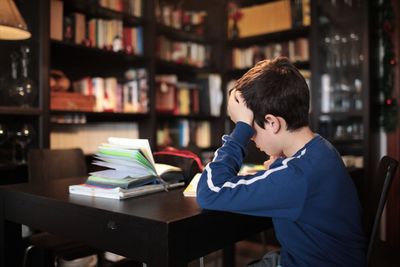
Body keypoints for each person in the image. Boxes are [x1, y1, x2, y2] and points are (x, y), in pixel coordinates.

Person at [196, 57, 366, 267]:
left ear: (272, 123)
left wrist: (239, 130)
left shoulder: (296, 176)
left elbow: (209, 192)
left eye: (251, 129)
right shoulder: (321, 148)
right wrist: (278, 165)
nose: (250, 137)